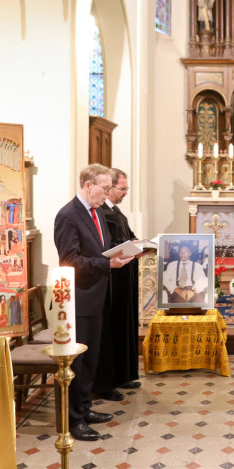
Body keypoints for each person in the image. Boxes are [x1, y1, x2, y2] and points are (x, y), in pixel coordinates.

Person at [54, 164, 133, 442]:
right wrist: (107, 264)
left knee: (90, 359)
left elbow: (101, 249)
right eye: (105, 188)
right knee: (77, 362)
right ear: (89, 186)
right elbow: (70, 260)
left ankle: (84, 407)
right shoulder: (68, 215)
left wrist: (121, 254)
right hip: (78, 298)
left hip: (98, 296)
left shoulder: (97, 211)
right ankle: (73, 420)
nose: (107, 193)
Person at [95, 168, 142, 400]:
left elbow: (127, 236)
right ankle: (110, 381)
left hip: (125, 276)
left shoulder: (115, 211)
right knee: (112, 328)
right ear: (109, 188)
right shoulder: (102, 213)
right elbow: (107, 245)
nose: (125, 193)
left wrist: (139, 243)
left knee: (124, 326)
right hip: (113, 279)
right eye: (122, 189)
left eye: (126, 188)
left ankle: (123, 374)